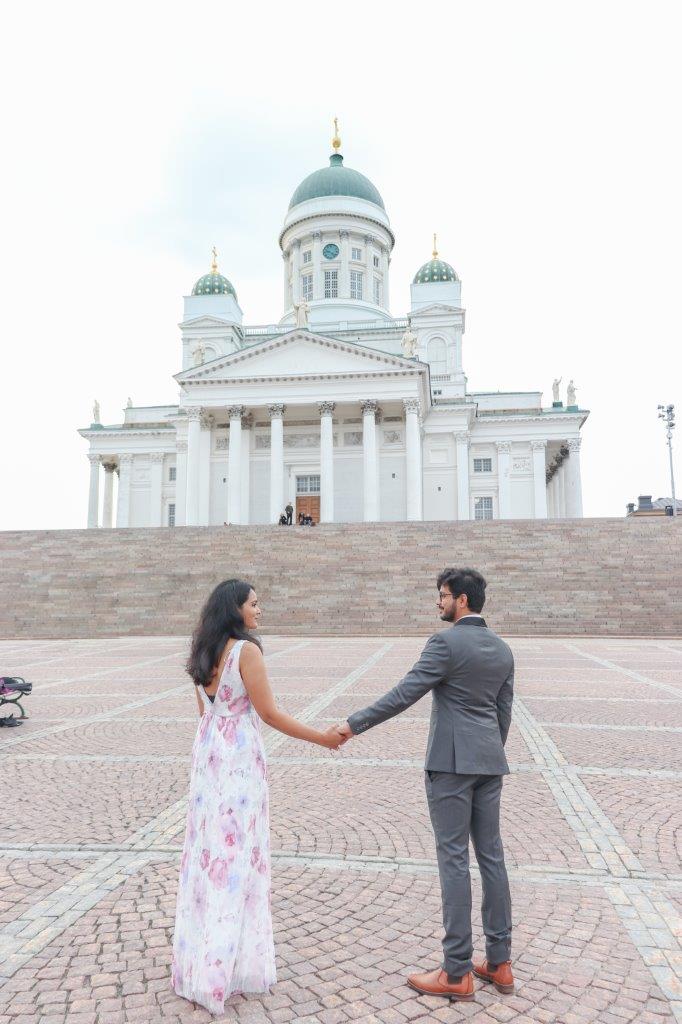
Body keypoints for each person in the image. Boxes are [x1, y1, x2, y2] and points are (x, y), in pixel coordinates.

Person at [335, 568, 514, 1002]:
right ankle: (499, 962)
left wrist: (352, 725)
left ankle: (456, 971)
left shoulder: (445, 643)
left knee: (453, 858)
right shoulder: (503, 649)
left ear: (463, 601)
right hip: (490, 762)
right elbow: (503, 713)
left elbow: (405, 692)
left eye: (444, 595)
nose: (439, 602)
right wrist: (487, 752)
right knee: (491, 857)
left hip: (451, 765)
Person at [172, 579, 343, 1014]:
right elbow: (268, 713)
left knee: (208, 857)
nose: (259, 610)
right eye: (254, 603)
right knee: (236, 860)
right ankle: (223, 968)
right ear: (236, 609)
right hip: (239, 763)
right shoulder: (246, 652)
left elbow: (205, 713)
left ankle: (200, 961)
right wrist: (321, 738)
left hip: (208, 757)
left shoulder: (202, 652)